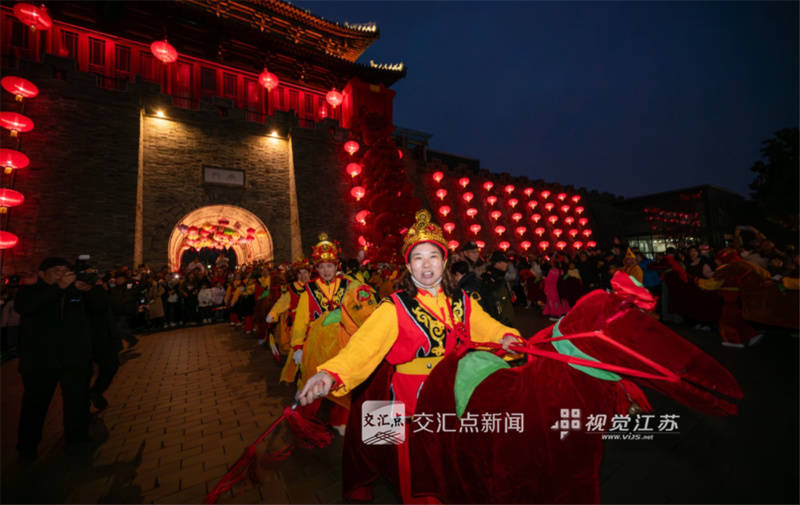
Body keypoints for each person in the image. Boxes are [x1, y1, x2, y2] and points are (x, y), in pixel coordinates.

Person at [297, 210, 521, 503]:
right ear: (408, 265)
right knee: (419, 474)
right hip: (413, 400)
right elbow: (363, 347)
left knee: (456, 466)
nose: (426, 264)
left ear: (444, 261)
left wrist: (507, 337)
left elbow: (488, 327)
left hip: (454, 393)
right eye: (418, 257)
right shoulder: (394, 307)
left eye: (433, 256)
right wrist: (330, 374)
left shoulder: (462, 301)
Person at [15, 257, 96, 460]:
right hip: (40, 361)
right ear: (42, 274)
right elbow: (27, 307)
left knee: (76, 400)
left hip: (72, 359)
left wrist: (90, 290)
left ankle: (77, 439)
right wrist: (58, 288)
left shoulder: (72, 291)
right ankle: (27, 446)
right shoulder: (30, 291)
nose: (61, 274)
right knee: (35, 405)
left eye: (65, 270)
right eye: (56, 270)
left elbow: (97, 311)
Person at [291, 234, 367, 434]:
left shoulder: (348, 285)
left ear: (336, 267)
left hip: (342, 342)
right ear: (316, 269)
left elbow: (358, 311)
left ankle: (339, 421)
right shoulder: (309, 290)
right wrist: (298, 346)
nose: (326, 270)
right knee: (313, 383)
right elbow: (301, 321)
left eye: (330, 266)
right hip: (316, 345)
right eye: (322, 267)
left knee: (342, 382)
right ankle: (306, 422)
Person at [480, 251, 515, 325]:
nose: (506, 264)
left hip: (506, 318)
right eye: (504, 262)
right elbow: (490, 303)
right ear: (497, 263)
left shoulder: (500, 277)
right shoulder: (490, 279)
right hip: (499, 321)